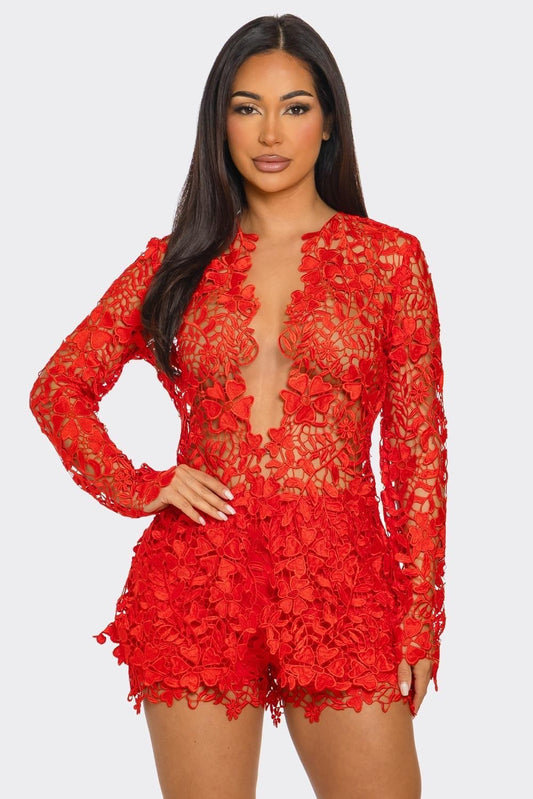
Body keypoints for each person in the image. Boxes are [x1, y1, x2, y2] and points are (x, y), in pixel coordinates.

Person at [29, 13, 447, 799]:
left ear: (328, 122)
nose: (270, 132)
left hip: (340, 582)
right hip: (198, 578)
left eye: (295, 107)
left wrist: (420, 612)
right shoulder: (175, 263)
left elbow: (416, 450)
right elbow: (58, 389)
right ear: (219, 122)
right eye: (246, 107)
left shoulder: (389, 260)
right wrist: (140, 483)